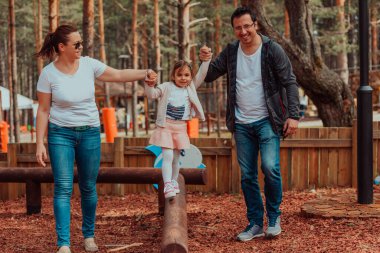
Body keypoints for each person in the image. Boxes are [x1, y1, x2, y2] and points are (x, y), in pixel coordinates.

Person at [35, 24, 157, 253]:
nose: (82, 47)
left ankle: (89, 236)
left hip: (90, 132)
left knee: (88, 187)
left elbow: (118, 75)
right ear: (62, 47)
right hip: (60, 133)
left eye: (82, 43)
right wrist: (39, 142)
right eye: (77, 44)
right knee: (62, 187)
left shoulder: (89, 65)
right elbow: (43, 110)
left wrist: (145, 73)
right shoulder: (49, 74)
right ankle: (63, 243)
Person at [200, 7, 300, 240]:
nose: (243, 31)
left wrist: (293, 115)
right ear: (234, 29)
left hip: (267, 120)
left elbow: (290, 82)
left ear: (255, 24)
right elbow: (210, 74)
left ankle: (274, 217)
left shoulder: (272, 50)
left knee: (270, 168)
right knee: (247, 175)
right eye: (238, 28)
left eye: (247, 26)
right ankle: (255, 222)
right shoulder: (231, 51)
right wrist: (204, 60)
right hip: (242, 123)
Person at [145, 47, 211, 199]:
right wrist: (149, 85)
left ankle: (174, 181)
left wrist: (206, 61)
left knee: (176, 158)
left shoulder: (190, 88)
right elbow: (152, 95)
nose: (183, 78)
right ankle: (167, 183)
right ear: (173, 76)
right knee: (167, 155)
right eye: (179, 75)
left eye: (187, 75)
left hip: (180, 128)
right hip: (166, 126)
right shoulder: (167, 87)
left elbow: (201, 74)